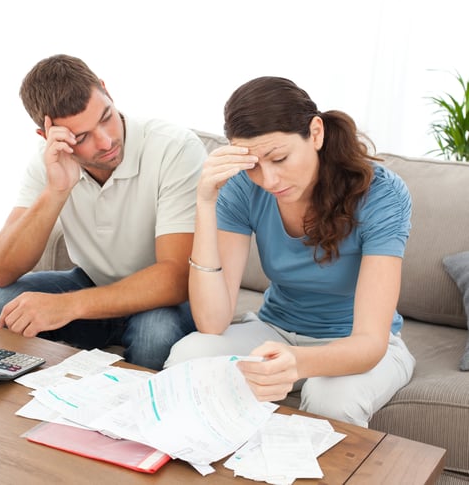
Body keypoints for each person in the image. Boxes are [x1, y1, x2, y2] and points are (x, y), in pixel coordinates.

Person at [164, 76, 416, 426]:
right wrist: (206, 202)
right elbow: (212, 321)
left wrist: (296, 361)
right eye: (253, 165)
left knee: (331, 399)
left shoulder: (381, 194)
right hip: (276, 329)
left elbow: (370, 343)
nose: (269, 180)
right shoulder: (241, 187)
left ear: (315, 133)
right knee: (188, 356)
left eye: (279, 158)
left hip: (357, 344)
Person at [0, 54, 207, 370]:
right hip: (93, 283)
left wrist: (68, 306)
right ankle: (54, 401)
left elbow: (176, 278)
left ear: (106, 90)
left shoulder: (174, 148)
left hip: (165, 300)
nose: (106, 141)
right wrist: (56, 191)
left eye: (105, 117)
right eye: (83, 137)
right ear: (49, 137)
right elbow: (2, 270)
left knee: (154, 335)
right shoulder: (49, 162)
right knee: (0, 303)